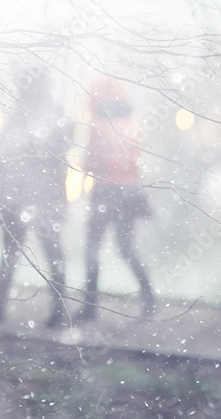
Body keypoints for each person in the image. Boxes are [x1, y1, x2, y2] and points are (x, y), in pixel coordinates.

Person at [0, 68, 72, 327]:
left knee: (52, 253)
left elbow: (60, 152)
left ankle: (59, 311)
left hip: (43, 197)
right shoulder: (19, 116)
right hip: (15, 194)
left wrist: (41, 148)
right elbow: (1, 149)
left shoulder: (57, 116)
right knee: (10, 251)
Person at [76, 77, 155, 321]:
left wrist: (89, 165)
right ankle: (150, 300)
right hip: (128, 191)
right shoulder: (133, 123)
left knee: (92, 249)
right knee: (126, 248)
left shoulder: (99, 124)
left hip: (105, 191)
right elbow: (132, 159)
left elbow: (92, 160)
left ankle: (90, 306)